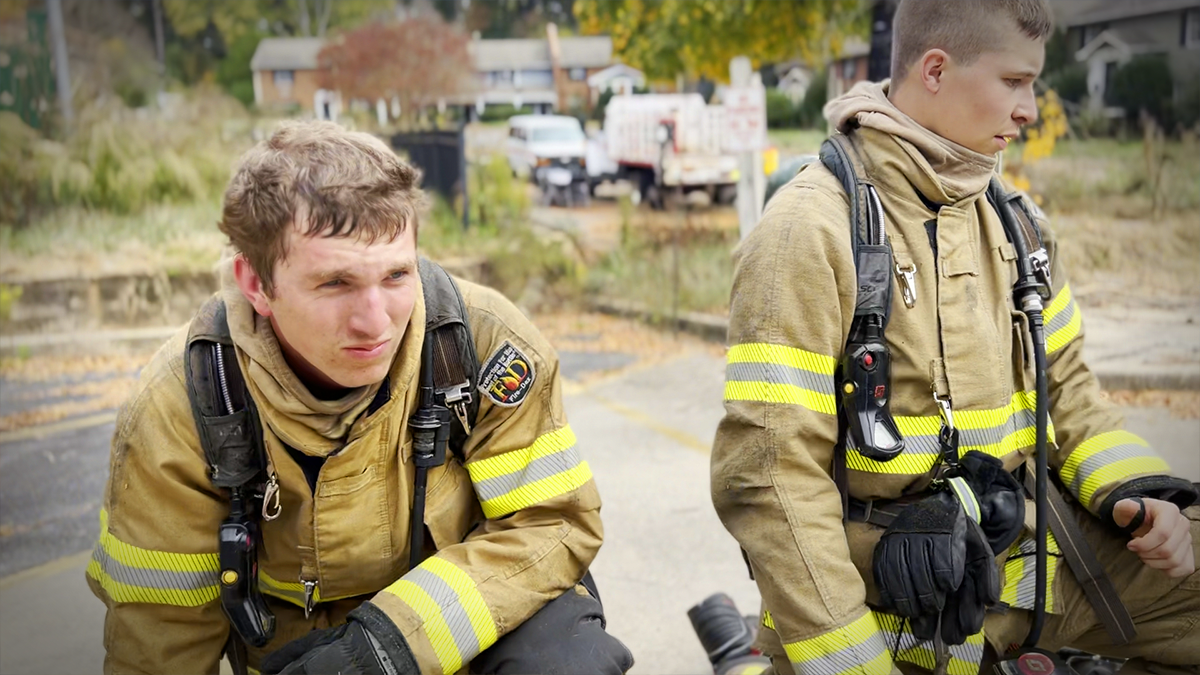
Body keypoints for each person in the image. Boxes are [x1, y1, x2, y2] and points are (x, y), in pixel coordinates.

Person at [710, 1, 1199, 674]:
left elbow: (1071, 389)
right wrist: (851, 664)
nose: (1029, 108)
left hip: (1033, 563)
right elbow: (769, 477)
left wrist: (1145, 500)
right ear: (936, 69)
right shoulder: (808, 233)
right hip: (888, 603)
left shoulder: (1016, 223)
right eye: (1014, 81)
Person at [86, 121, 634, 675]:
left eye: (397, 275)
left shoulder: (483, 345)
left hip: (466, 650)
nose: (376, 323)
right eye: (335, 284)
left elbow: (552, 526)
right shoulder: (182, 404)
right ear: (255, 283)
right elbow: (158, 647)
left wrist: (382, 650)